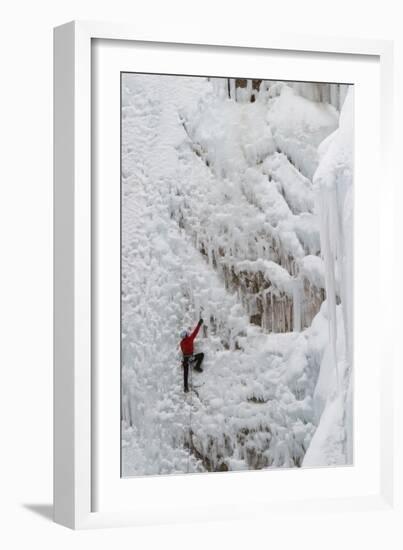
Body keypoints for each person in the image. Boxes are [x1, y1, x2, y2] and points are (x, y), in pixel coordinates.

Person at [180, 319, 204, 393]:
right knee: (201, 355)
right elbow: (195, 331)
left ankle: (186, 388)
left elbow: (182, 351)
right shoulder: (190, 339)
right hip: (191, 358)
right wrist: (199, 324)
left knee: (185, 373)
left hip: (185, 359)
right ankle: (197, 366)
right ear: (187, 335)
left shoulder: (181, 343)